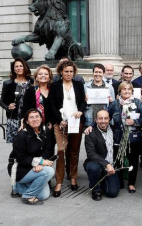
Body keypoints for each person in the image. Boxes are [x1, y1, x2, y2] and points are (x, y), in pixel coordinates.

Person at [49, 60, 86, 197]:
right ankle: (59, 181)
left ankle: (73, 176)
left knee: (74, 151)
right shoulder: (55, 86)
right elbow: (52, 104)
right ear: (61, 72)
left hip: (76, 121)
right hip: (61, 123)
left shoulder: (79, 85)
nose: (69, 74)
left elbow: (82, 101)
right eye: (66, 71)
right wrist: (59, 120)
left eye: (71, 71)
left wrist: (80, 111)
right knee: (61, 150)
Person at [10, 109, 55, 205]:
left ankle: (20, 187)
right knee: (49, 171)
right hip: (21, 169)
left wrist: (40, 163)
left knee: (44, 195)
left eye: (37, 116)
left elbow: (48, 149)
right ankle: (28, 195)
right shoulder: (21, 136)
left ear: (41, 118)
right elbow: (20, 159)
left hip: (36, 167)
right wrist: (40, 162)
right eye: (31, 117)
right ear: (27, 121)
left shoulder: (45, 131)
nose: (35, 119)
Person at [108, 82, 142, 193]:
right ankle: (119, 182)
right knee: (118, 160)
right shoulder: (115, 104)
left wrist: (135, 121)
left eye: (129, 89)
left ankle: (131, 183)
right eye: (124, 89)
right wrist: (113, 129)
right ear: (119, 91)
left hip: (133, 138)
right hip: (118, 138)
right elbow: (106, 117)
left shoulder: (137, 102)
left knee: (133, 161)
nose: (126, 91)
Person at [83, 110, 120, 201]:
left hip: (111, 165)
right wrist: (106, 164)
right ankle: (95, 189)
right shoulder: (90, 133)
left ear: (109, 119)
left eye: (106, 118)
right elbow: (91, 154)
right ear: (96, 120)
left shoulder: (115, 130)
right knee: (93, 168)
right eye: (100, 118)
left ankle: (103, 181)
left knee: (113, 193)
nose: (103, 121)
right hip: (97, 163)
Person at [0, 57, 33, 143]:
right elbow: (1, 101)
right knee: (16, 146)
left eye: (21, 66)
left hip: (29, 119)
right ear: (13, 69)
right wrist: (8, 107)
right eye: (16, 66)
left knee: (29, 144)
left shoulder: (32, 82)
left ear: (25, 67)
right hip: (13, 119)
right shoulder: (8, 83)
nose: (19, 68)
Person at [22, 65, 53, 131]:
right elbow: (25, 109)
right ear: (36, 77)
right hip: (34, 126)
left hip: (51, 126)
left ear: (49, 77)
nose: (43, 75)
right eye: (40, 74)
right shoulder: (30, 90)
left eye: (46, 74)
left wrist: (52, 122)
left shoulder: (53, 90)